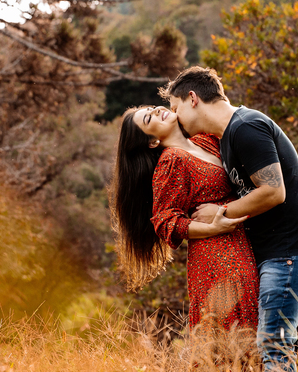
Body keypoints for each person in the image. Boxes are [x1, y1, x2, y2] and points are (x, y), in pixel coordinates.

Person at [162, 66, 298, 372]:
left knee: (272, 344)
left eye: (175, 109)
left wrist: (219, 212)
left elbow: (274, 192)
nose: (175, 118)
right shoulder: (227, 137)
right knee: (295, 346)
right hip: (275, 253)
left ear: (192, 99)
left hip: (288, 252)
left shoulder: (246, 126)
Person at [109, 105, 259, 333]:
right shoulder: (172, 161)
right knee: (236, 332)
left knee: (251, 326)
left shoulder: (203, 140)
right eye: (150, 118)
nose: (158, 110)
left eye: (152, 108)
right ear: (152, 142)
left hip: (242, 244)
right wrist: (213, 228)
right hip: (217, 256)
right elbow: (165, 221)